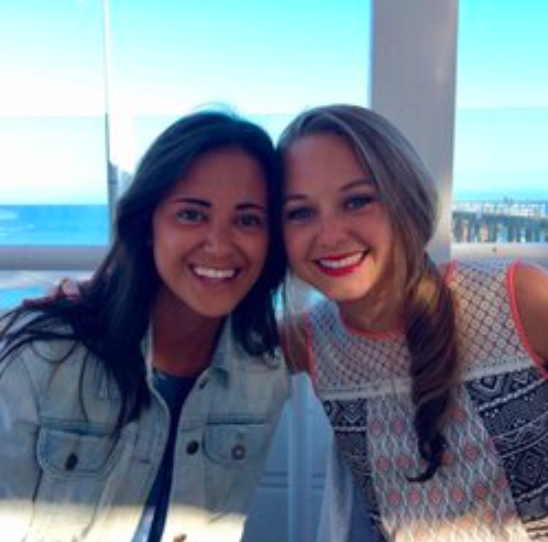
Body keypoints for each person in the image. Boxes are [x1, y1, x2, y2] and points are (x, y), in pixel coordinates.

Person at [0, 110, 290, 542]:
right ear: (147, 224)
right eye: (192, 214)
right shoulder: (40, 361)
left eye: (247, 220)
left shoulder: (263, 373)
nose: (219, 243)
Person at [277, 104, 548, 541]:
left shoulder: (516, 300)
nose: (328, 235)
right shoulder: (310, 340)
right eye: (300, 213)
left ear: (406, 200)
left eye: (358, 200)